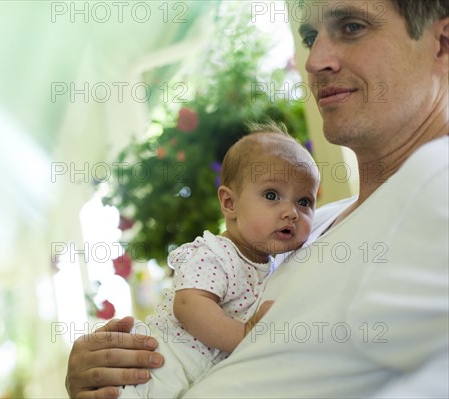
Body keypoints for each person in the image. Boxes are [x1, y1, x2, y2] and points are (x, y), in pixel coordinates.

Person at [65, 0, 449, 397]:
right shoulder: (304, 229)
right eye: (310, 37)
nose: (315, 60)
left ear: (442, 42)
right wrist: (105, 374)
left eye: (351, 27)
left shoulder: (436, 191)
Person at [119, 126, 319, 398]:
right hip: (156, 370)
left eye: (304, 201)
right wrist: (244, 336)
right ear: (229, 203)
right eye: (272, 195)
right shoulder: (215, 253)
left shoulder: (274, 268)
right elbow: (189, 305)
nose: (291, 213)